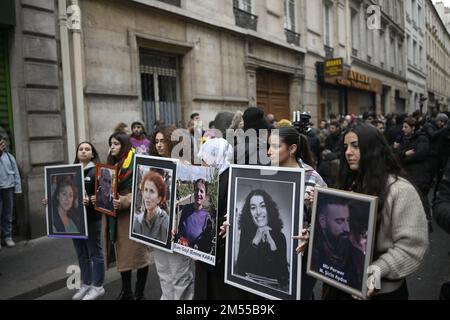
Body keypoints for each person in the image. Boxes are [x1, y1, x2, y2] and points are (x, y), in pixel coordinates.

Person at [324, 123, 428, 300]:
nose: (348, 152)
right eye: (345, 147)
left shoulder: (400, 190)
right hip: (342, 284)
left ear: (372, 148)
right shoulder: (349, 184)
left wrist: (380, 268)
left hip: (382, 292)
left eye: (355, 146)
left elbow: (411, 245)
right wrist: (315, 237)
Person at [268, 127, 327, 299]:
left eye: (275, 146)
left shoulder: (312, 178)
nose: (268, 151)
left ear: (292, 148)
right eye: (268, 146)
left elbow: (326, 220)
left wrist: (309, 233)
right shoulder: (266, 173)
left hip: (299, 258)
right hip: (272, 257)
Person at [43, 142, 106, 300]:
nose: (84, 151)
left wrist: (90, 200)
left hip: (91, 219)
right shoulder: (69, 172)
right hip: (75, 222)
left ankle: (98, 286)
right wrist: (49, 202)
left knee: (95, 253)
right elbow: (60, 195)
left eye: (87, 149)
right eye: (81, 149)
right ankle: (87, 283)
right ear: (77, 153)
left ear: (92, 154)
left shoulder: (97, 171)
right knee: (82, 254)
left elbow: (105, 197)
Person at [93, 132, 150, 300]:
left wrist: (124, 200)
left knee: (140, 256)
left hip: (134, 217)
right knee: (122, 255)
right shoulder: (110, 164)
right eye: (111, 143)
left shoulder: (136, 162)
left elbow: (143, 189)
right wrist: (100, 197)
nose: (112, 147)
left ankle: (139, 293)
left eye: (116, 144)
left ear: (124, 144)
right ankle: (127, 291)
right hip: (115, 218)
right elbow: (104, 187)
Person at [150, 125, 195, 300]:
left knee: (180, 276)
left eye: (163, 141)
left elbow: (189, 202)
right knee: (164, 273)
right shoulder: (153, 167)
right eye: (157, 141)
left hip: (177, 231)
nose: (159, 145)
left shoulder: (185, 166)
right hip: (158, 229)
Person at [235, 189, 289, 290]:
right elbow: (240, 269)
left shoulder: (280, 237)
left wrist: (273, 246)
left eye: (262, 206)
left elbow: (284, 277)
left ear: (269, 209)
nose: (258, 212)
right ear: (249, 212)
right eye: (253, 208)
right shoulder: (245, 234)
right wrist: (256, 240)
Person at [310, 195, 365, 290]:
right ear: (322, 221)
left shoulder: (357, 257)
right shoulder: (313, 251)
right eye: (340, 221)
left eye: (348, 221)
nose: (347, 229)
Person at [176, 179, 214, 253]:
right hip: (182, 251)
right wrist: (180, 239)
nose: (198, 193)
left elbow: (206, 243)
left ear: (205, 195)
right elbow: (180, 228)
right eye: (196, 190)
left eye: (201, 191)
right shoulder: (186, 209)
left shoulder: (207, 217)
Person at [132, 170, 169, 243]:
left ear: (159, 198)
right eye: (145, 190)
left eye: (152, 191)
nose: (147, 196)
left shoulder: (165, 222)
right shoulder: (137, 221)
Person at [0, 135, 22, 249]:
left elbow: (16, 173)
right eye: (0, 144)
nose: (2, 146)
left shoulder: (9, 157)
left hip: (8, 189)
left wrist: (18, 188)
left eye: (3, 144)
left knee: (7, 214)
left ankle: (7, 236)